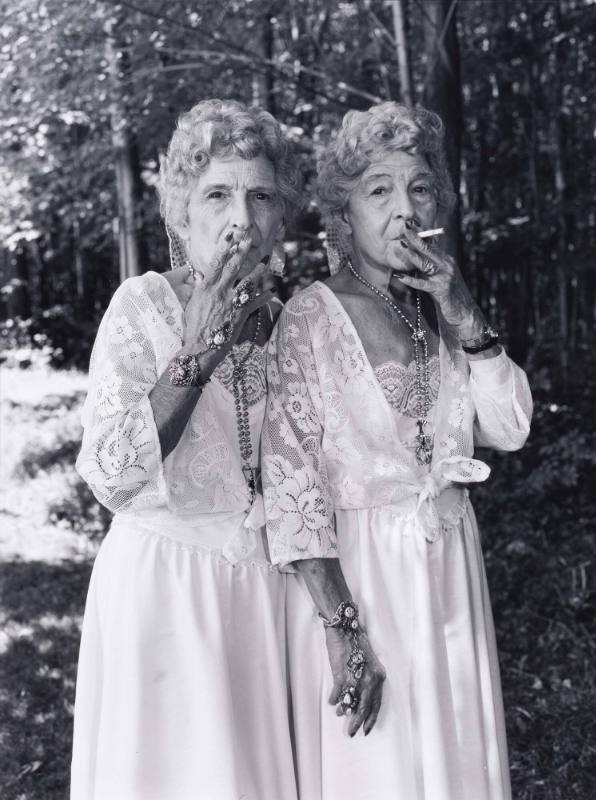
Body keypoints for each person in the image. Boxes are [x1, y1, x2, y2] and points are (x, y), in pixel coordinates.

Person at [262, 101, 533, 800]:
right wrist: (345, 629)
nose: (404, 209)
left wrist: (462, 308)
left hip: (449, 572)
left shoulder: (440, 312)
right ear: (343, 213)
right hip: (364, 580)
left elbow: (510, 426)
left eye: (419, 188)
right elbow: (292, 490)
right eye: (379, 190)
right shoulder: (310, 317)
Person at [71, 99, 301, 800]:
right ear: (181, 213)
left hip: (259, 601)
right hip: (163, 593)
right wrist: (198, 349)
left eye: (261, 196)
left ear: (280, 220)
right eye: (217, 195)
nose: (241, 219)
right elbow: (110, 476)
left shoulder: (286, 324)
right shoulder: (140, 306)